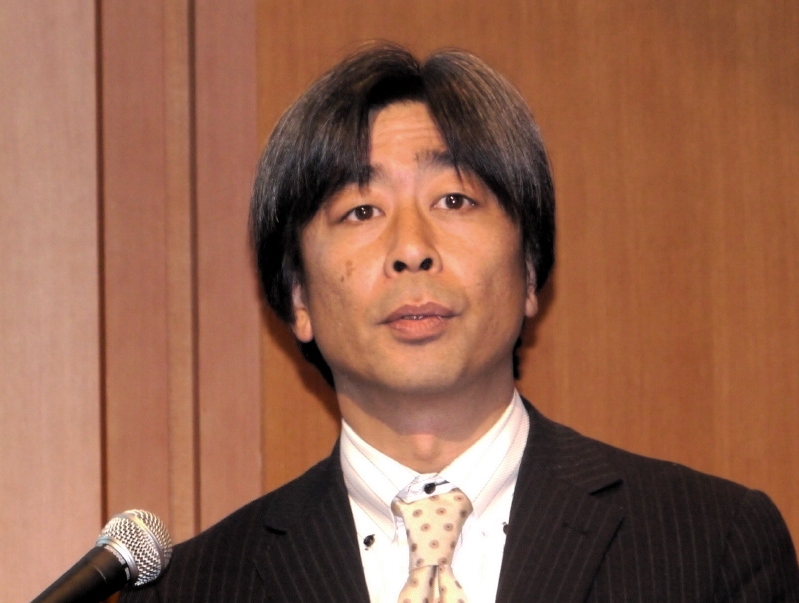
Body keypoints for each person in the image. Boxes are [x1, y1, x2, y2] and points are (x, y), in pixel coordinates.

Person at [121, 43, 799, 602]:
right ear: (297, 296)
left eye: (453, 199)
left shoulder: (711, 546)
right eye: (361, 210)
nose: (412, 248)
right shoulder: (194, 589)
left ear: (529, 270)